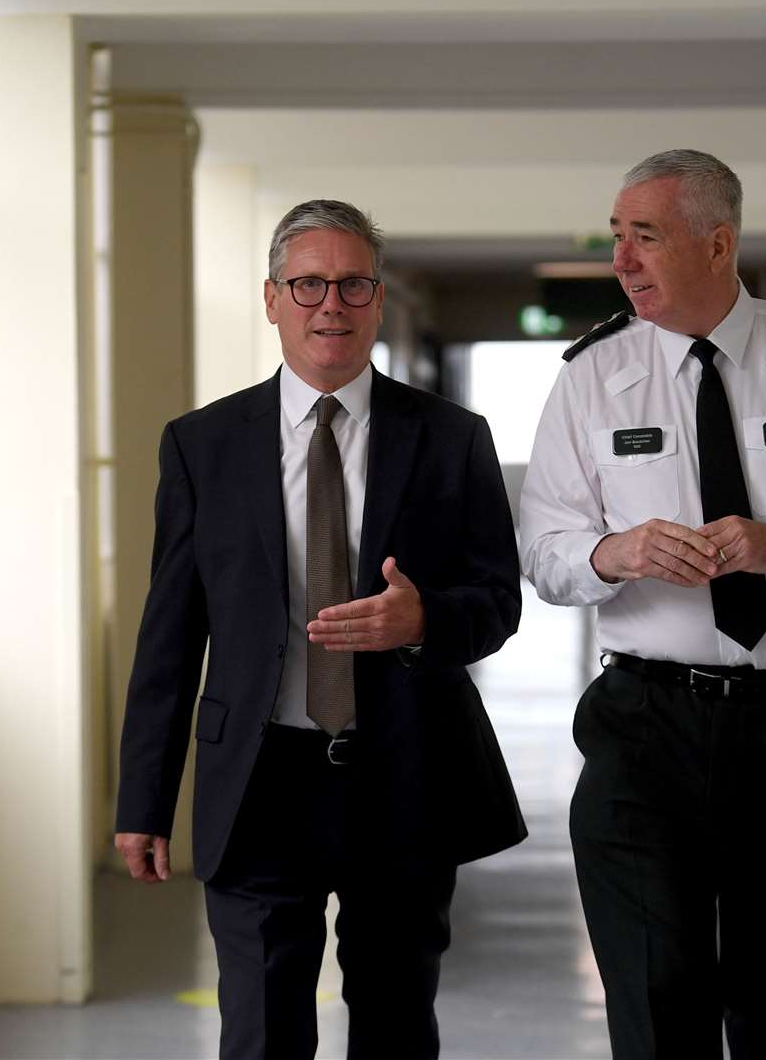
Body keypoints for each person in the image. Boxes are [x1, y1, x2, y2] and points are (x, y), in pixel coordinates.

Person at [519, 150, 766, 1059]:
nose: (622, 259)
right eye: (618, 237)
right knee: (658, 1003)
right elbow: (543, 556)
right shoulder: (591, 375)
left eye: (646, 237)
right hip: (643, 727)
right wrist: (613, 552)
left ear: (719, 243)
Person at [114, 199, 526, 1060]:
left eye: (350, 284)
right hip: (259, 778)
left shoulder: (452, 440)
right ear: (272, 298)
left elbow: (497, 601)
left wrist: (423, 620)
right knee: (261, 1032)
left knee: (397, 1022)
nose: (328, 304)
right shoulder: (202, 445)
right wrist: (145, 800)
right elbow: (169, 632)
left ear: (378, 301)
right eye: (307, 284)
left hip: (402, 773)